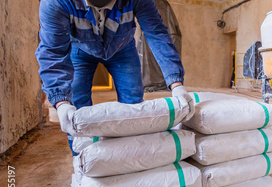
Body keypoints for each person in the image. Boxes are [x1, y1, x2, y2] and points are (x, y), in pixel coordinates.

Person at [35, 0, 194, 154]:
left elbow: (156, 33)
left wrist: (176, 83)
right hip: (81, 50)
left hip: (122, 49)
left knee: (133, 105)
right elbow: (53, 53)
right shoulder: (56, 2)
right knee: (76, 110)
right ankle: (85, 161)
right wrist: (61, 102)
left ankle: (130, 155)